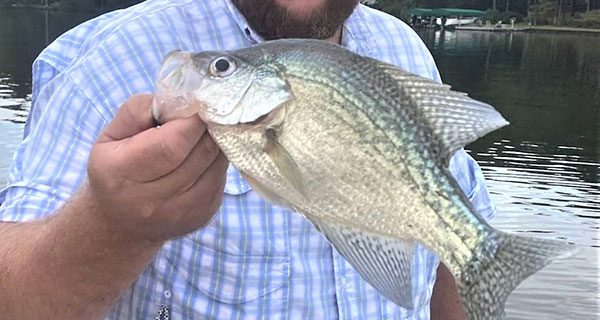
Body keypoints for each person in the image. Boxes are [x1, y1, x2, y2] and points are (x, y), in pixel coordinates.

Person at [0, 0, 496, 319]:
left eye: (221, 69)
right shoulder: (110, 56)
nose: (212, 72)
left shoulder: (403, 48)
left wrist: (476, 257)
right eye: (220, 67)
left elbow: (456, 215)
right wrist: (109, 226)